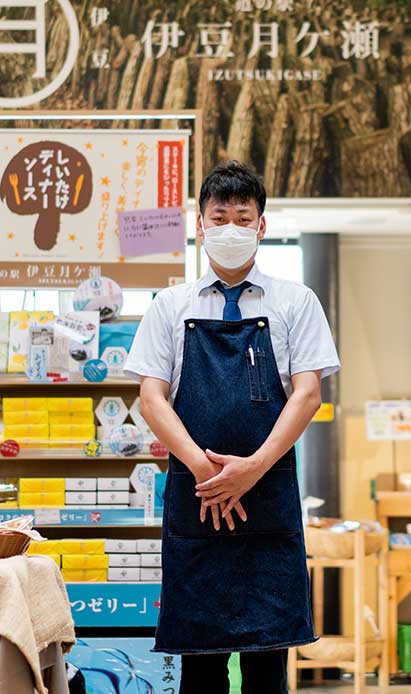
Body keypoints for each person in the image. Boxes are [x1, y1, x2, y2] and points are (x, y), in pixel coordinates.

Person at [124, 161, 340, 694]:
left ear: (262, 226)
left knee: (268, 667)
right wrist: (206, 470)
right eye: (219, 217)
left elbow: (308, 394)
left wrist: (251, 469)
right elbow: (152, 399)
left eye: (243, 218)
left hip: (266, 502)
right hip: (196, 502)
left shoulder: (296, 301)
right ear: (200, 224)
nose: (230, 229)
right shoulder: (170, 305)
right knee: (200, 668)